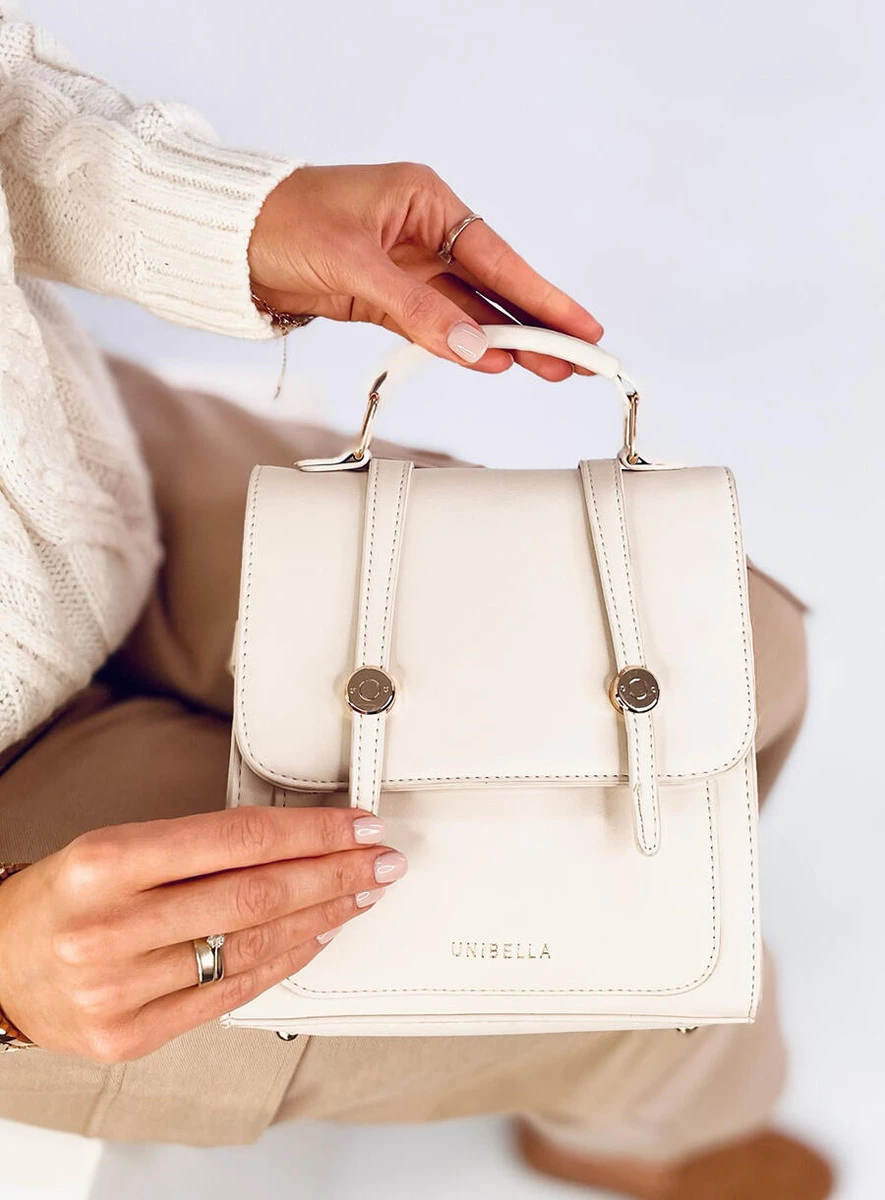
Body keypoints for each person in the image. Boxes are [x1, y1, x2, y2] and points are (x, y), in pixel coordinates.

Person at [0, 7, 832, 1198]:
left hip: (70, 463)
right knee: (650, 1000)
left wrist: (236, 218)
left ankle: (656, 895)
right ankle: (638, 1120)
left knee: (749, 644)